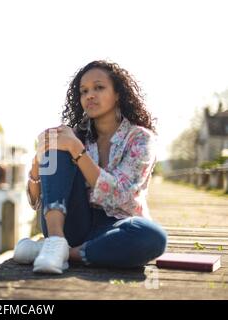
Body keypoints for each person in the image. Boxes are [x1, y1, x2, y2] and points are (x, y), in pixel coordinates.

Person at [13, 60, 167, 274]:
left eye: (99, 87)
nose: (89, 95)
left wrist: (78, 151)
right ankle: (56, 241)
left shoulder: (140, 139)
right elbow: (36, 200)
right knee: (56, 142)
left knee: (153, 237)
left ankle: (65, 252)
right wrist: (38, 165)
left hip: (116, 227)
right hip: (70, 222)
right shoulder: (73, 136)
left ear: (118, 94)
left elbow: (119, 195)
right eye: (84, 91)